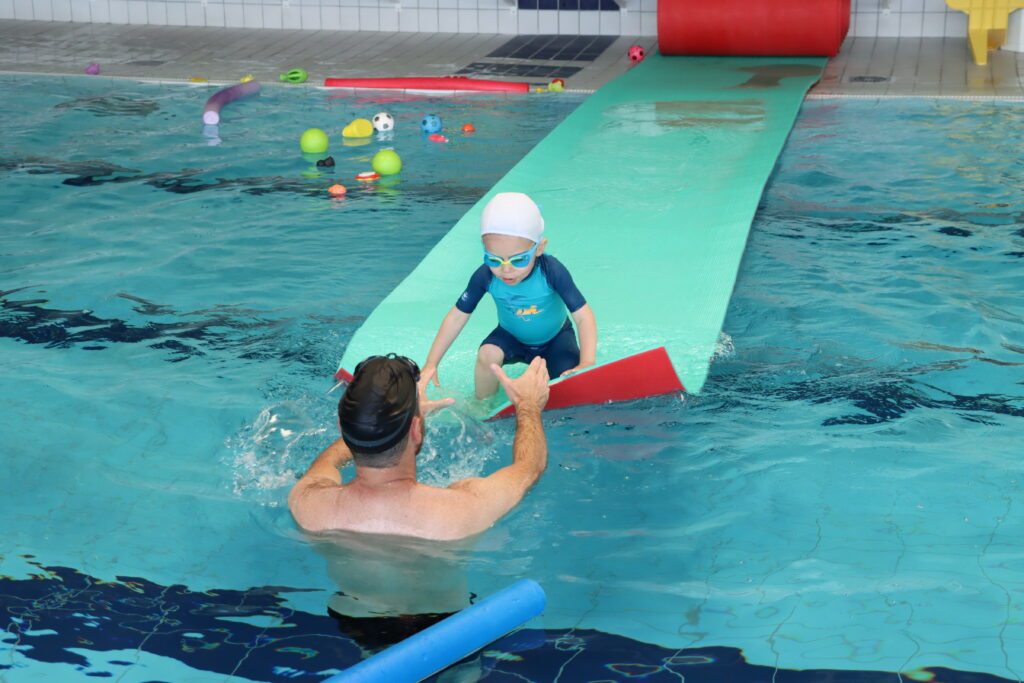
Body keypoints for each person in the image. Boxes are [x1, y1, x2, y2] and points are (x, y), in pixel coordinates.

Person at [288, 353, 550, 541]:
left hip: (346, 617)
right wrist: (527, 403)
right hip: (446, 619)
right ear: (415, 430)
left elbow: (329, 462)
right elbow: (530, 466)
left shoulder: (309, 503)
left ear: (341, 428)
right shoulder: (462, 509)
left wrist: (396, 419)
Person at [422, 192, 597, 399]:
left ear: (539, 248)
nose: (506, 270)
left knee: (570, 382)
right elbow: (457, 316)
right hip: (510, 338)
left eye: (519, 260)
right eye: (494, 259)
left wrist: (587, 363)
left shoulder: (552, 272)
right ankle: (483, 405)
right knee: (487, 355)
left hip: (555, 341)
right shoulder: (485, 275)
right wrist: (431, 363)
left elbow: (583, 317)